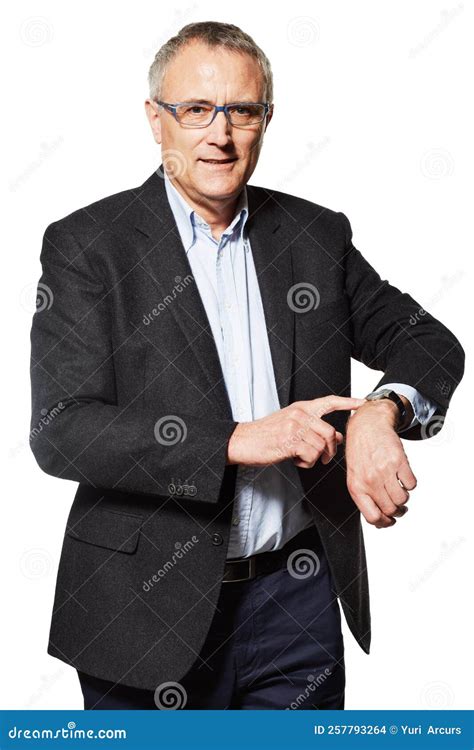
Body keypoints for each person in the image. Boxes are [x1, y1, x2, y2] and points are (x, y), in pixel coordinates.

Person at [29, 21, 464, 710]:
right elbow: (62, 430)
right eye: (197, 109)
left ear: (265, 119)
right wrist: (236, 440)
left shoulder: (316, 237)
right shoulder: (89, 247)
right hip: (143, 611)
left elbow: (430, 343)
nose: (220, 134)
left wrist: (385, 411)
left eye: (243, 111)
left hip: (295, 603)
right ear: (156, 119)